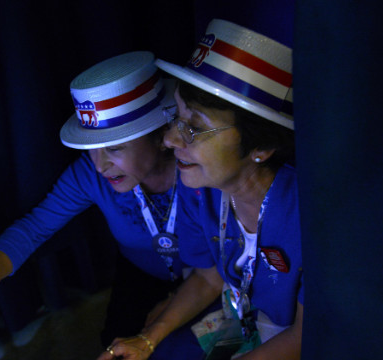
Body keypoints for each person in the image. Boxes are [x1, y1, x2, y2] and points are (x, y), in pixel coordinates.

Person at [0, 51, 213, 359]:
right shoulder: (89, 175)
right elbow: (35, 227)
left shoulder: (203, 174)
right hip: (141, 273)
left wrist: (155, 329)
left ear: (161, 136)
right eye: (91, 148)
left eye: (115, 147)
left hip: (212, 280)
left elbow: (219, 273)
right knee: (114, 345)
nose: (100, 164)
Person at [99, 19, 302, 360]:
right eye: (175, 118)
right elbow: (210, 277)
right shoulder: (201, 190)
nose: (169, 139)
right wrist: (148, 339)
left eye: (193, 127)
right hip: (237, 317)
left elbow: (306, 333)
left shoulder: (309, 217)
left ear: (261, 146)